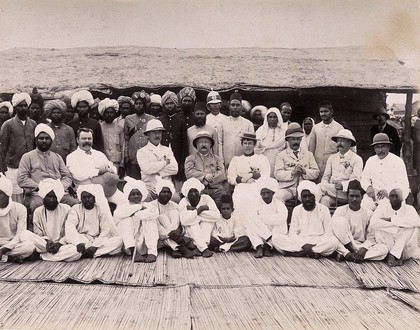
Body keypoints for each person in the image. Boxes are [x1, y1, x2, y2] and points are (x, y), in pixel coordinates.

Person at [17, 124, 78, 211]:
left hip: (59, 193)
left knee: (75, 205)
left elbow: (67, 176)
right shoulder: (27, 157)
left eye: (47, 138)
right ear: (36, 140)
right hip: (38, 193)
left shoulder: (57, 157)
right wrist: (40, 186)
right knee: (37, 207)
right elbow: (21, 178)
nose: (44, 141)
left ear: (51, 141)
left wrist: (60, 187)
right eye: (41, 138)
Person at [273, 181, 338, 258]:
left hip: (318, 240)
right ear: (301, 198)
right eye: (304, 196)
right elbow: (292, 233)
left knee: (333, 242)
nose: (307, 199)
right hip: (301, 241)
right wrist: (303, 244)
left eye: (310, 196)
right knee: (276, 238)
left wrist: (313, 244)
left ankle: (301, 253)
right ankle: (315, 252)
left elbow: (328, 233)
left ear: (314, 196)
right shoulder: (297, 210)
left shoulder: (324, 209)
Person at [20, 179, 81, 262]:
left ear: (58, 198)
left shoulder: (67, 209)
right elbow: (38, 233)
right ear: (44, 197)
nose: (51, 200)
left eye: (54, 197)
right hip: (44, 244)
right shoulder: (38, 211)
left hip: (62, 245)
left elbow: (70, 232)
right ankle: (54, 255)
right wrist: (47, 241)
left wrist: (60, 243)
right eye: (49, 197)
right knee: (24, 234)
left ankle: (42, 256)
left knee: (76, 251)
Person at [331, 180, 388, 263]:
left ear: (362, 197)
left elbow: (371, 236)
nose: (354, 199)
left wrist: (364, 248)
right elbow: (332, 232)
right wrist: (345, 250)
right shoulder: (340, 210)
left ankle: (351, 256)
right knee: (339, 221)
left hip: (361, 246)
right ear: (347, 196)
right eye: (351, 196)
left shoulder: (369, 213)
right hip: (344, 245)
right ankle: (347, 253)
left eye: (357, 196)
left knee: (384, 249)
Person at [67, 127, 126, 207]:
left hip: (107, 188)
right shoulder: (72, 157)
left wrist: (108, 168)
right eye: (84, 138)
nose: (87, 141)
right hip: (87, 190)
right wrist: (98, 171)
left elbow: (113, 168)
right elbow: (77, 175)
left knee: (124, 201)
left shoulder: (99, 154)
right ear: (77, 140)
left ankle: (118, 219)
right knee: (103, 207)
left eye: (89, 138)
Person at [65, 184, 122, 258]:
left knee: (118, 241)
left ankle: (85, 253)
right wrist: (78, 242)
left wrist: (95, 246)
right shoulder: (75, 209)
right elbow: (70, 227)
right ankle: (90, 252)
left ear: (94, 198)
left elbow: (105, 231)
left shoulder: (101, 210)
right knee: (72, 247)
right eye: (84, 197)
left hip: (97, 239)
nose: (87, 199)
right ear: (81, 199)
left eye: (89, 197)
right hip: (82, 239)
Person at [0, 92, 37, 202]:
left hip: (29, 166)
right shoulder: (8, 124)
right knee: (14, 194)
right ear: (15, 108)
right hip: (12, 167)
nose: (23, 108)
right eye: (20, 106)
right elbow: (3, 148)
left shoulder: (33, 124)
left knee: (30, 195)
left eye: (25, 105)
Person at [370, 188, 420, 266]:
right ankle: (395, 255)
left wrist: (392, 219)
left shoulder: (409, 209)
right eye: (392, 196)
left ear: (402, 198)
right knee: (378, 228)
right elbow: (373, 222)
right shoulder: (382, 208)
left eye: (397, 196)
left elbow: (417, 222)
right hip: (388, 245)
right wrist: (396, 227)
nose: (394, 199)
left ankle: (394, 255)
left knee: (412, 229)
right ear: (389, 198)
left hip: (405, 250)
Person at [360, 133, 409, 211]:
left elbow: (403, 184)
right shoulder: (371, 160)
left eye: (383, 147)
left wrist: (388, 191)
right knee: (362, 210)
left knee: (380, 215)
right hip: (373, 197)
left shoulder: (397, 161)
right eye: (377, 147)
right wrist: (368, 187)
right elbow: (364, 178)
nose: (380, 150)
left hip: (390, 198)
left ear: (388, 147)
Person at [115, 178, 159, 263]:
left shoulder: (148, 205)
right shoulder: (124, 206)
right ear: (128, 196)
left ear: (142, 195)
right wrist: (138, 208)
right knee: (125, 219)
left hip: (144, 243)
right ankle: (133, 252)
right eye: (133, 194)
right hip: (128, 245)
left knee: (151, 221)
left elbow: (155, 213)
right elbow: (118, 214)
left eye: (138, 194)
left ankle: (152, 253)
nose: (136, 196)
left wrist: (136, 213)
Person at [150, 177, 196, 258]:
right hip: (160, 237)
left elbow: (181, 220)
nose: (166, 194)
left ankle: (174, 248)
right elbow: (156, 227)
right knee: (161, 217)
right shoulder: (152, 205)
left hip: (174, 236)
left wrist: (177, 232)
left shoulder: (174, 205)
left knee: (175, 213)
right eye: (164, 192)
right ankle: (181, 248)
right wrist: (171, 235)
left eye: (169, 192)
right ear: (158, 193)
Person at [228, 132, 270, 218]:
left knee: (255, 206)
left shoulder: (262, 158)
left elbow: (266, 175)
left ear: (254, 144)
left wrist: (252, 176)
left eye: (250, 143)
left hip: (256, 187)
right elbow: (230, 178)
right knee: (240, 206)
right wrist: (243, 179)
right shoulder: (236, 159)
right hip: (241, 187)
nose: (247, 146)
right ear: (242, 145)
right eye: (245, 143)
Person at [274, 123, 319, 202]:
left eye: (298, 139)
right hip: (287, 187)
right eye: (293, 139)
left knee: (311, 199)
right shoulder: (281, 155)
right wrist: (292, 172)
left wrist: (304, 171)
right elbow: (277, 174)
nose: (296, 142)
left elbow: (316, 172)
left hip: (304, 186)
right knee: (277, 198)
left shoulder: (308, 154)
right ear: (287, 140)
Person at [319, 129, 363, 207]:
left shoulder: (356, 159)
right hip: (331, 190)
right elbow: (325, 177)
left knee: (318, 187)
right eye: (338, 141)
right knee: (324, 200)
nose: (339, 143)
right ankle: (323, 219)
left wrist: (342, 185)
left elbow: (356, 180)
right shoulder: (332, 158)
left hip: (346, 193)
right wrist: (326, 185)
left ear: (349, 143)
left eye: (342, 141)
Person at [137, 119, 178, 200]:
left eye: (159, 132)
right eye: (154, 132)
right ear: (148, 135)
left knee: (176, 199)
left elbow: (175, 169)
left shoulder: (167, 150)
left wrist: (157, 172)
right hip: (150, 188)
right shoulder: (142, 152)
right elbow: (147, 169)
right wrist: (165, 163)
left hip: (166, 187)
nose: (157, 135)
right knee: (145, 199)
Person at [247, 178, 288, 258]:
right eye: (263, 193)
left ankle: (268, 247)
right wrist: (267, 235)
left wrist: (261, 218)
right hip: (261, 234)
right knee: (249, 222)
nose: (266, 196)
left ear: (273, 193)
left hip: (274, 232)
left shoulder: (279, 204)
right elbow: (251, 217)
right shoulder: (256, 203)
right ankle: (259, 247)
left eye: (268, 193)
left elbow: (282, 217)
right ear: (260, 194)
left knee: (282, 223)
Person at [178, 178, 219, 258]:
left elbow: (216, 216)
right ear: (186, 193)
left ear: (199, 192)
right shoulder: (184, 201)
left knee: (206, 222)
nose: (193, 194)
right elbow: (184, 221)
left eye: (195, 191)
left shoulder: (206, 198)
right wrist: (200, 209)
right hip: (190, 232)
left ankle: (199, 247)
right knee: (193, 223)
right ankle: (204, 249)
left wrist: (195, 213)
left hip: (206, 230)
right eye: (190, 192)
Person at [0, 174, 36, 263]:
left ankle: (4, 257)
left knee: (29, 247)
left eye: (0, 194)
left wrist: (4, 249)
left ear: (8, 193)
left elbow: (20, 233)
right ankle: (9, 258)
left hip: (14, 244)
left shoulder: (20, 209)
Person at [185, 131, 226, 205]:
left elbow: (222, 174)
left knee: (223, 200)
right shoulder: (190, 159)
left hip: (216, 189)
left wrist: (210, 179)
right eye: (200, 142)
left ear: (210, 145)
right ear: (196, 145)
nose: (203, 144)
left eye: (206, 142)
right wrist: (205, 176)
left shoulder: (217, 158)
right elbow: (189, 173)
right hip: (199, 190)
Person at [308, 100, 345, 179]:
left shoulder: (339, 128)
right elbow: (311, 148)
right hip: (317, 164)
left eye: (326, 111)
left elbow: (342, 149)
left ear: (331, 112)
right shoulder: (315, 128)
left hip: (332, 164)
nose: (323, 114)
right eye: (321, 112)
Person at [219, 91, 254, 168]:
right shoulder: (222, 123)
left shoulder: (248, 124)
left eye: (237, 105)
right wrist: (221, 161)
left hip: (244, 161)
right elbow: (220, 143)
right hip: (227, 161)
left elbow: (251, 144)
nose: (235, 107)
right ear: (229, 106)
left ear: (241, 107)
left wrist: (249, 161)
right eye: (233, 105)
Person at [123, 91, 154, 179]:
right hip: (133, 157)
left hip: (148, 157)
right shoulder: (128, 119)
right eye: (136, 103)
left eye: (141, 103)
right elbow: (126, 139)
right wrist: (126, 155)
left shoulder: (151, 119)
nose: (138, 105)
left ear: (145, 105)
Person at [159, 91, 188, 181]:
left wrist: (183, 161)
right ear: (163, 106)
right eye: (167, 104)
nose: (169, 106)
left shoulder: (181, 121)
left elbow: (184, 143)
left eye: (171, 103)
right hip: (162, 157)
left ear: (175, 105)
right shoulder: (160, 121)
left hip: (178, 157)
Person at [255, 107, 286, 176]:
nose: (272, 119)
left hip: (279, 160)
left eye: (275, 117)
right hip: (264, 159)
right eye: (270, 117)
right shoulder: (261, 130)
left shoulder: (283, 131)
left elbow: (286, 146)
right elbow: (256, 147)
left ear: (278, 118)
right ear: (267, 118)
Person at [98, 98, 124, 175]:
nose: (109, 115)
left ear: (115, 114)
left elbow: (123, 146)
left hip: (116, 162)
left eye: (111, 112)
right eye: (107, 112)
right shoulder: (99, 127)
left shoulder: (120, 128)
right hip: (102, 162)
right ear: (103, 114)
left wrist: (122, 164)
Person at [205, 90, 226, 154]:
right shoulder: (205, 119)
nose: (215, 106)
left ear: (220, 104)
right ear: (208, 106)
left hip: (223, 149)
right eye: (212, 104)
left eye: (217, 103)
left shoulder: (226, 119)